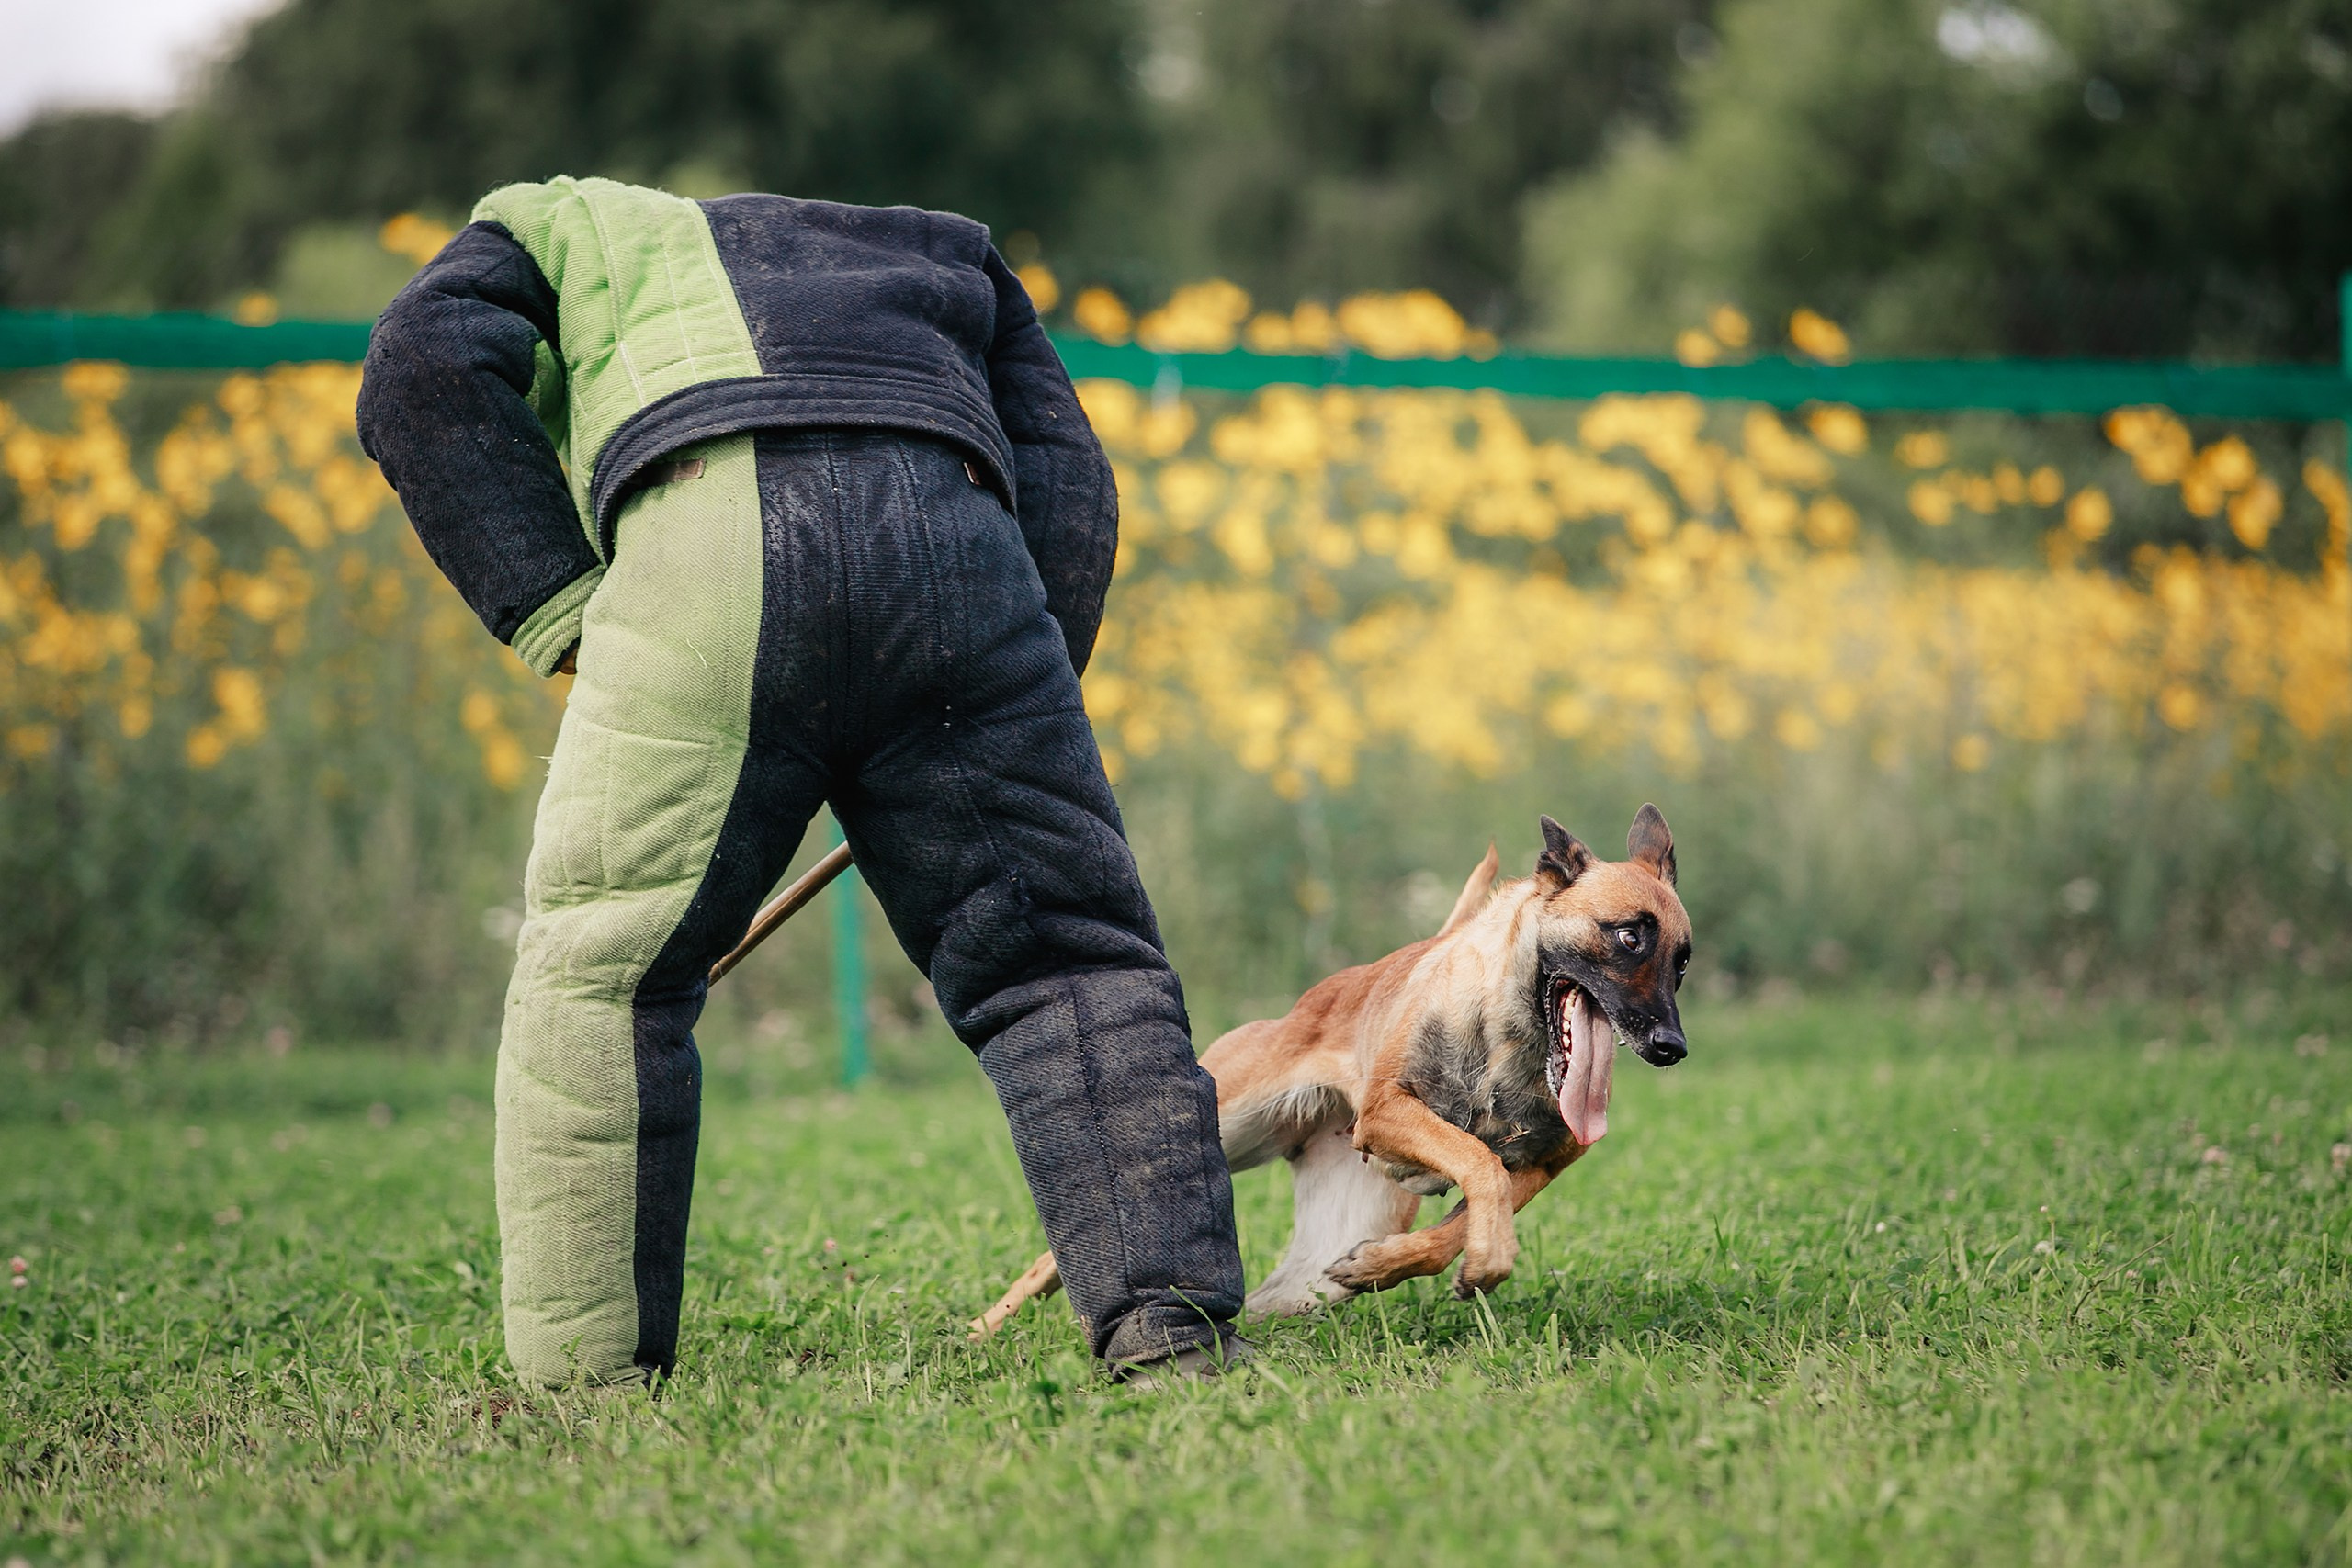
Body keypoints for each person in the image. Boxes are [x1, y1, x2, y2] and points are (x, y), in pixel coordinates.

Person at [356, 175, 1245, 1386]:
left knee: (607, 976)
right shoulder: (954, 249)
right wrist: (1025, 690)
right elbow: (1066, 467)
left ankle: (591, 1383)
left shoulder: (554, 222)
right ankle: (1167, 1339)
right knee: (1071, 963)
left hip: (702, 543)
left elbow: (418, 364)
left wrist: (560, 605)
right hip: (961, 562)